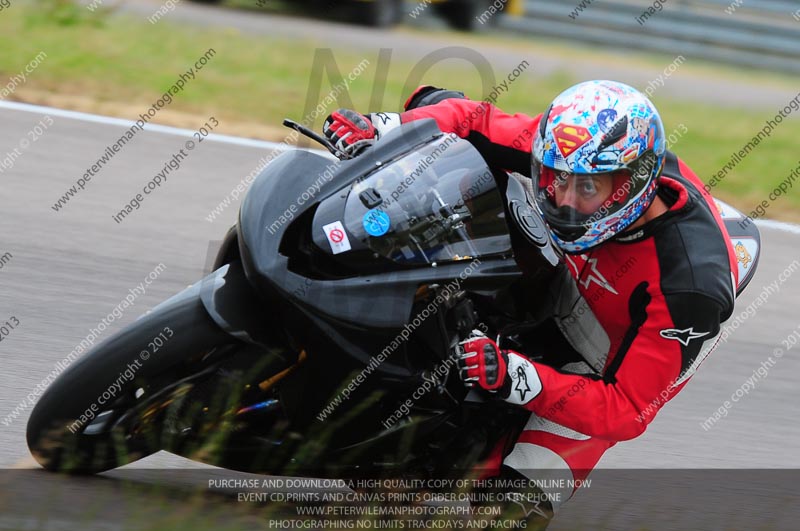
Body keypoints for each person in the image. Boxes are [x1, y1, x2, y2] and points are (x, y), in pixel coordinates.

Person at [323, 80, 740, 529]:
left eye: (587, 188)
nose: (562, 199)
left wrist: (519, 378)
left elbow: (627, 409)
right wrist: (384, 128)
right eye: (557, 179)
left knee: (501, 513)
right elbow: (477, 121)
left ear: (630, 188)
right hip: (559, 275)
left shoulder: (690, 289)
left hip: (604, 358)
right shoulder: (577, 153)